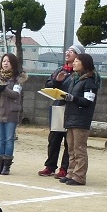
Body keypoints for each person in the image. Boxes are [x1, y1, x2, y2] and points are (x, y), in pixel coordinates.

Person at [37, 42, 81, 177]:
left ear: (78, 56)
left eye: (72, 51)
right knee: (54, 138)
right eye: (67, 51)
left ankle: (64, 168)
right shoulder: (60, 70)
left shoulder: (80, 73)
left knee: (69, 140)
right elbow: (48, 84)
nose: (67, 53)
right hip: (58, 106)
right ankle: (50, 166)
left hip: (72, 108)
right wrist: (57, 81)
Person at [59, 52, 99, 186]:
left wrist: (73, 98)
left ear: (84, 64)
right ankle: (71, 173)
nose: (74, 63)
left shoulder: (89, 81)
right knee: (71, 149)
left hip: (81, 120)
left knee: (79, 149)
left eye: (77, 61)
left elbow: (88, 101)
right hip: (71, 117)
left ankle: (80, 176)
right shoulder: (75, 79)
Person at [0, 52, 27, 175]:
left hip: (12, 112)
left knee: (9, 139)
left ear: (13, 64)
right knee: (0, 139)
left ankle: (7, 165)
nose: (5, 63)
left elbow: (15, 94)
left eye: (8, 61)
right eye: (4, 61)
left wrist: (4, 89)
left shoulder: (18, 78)